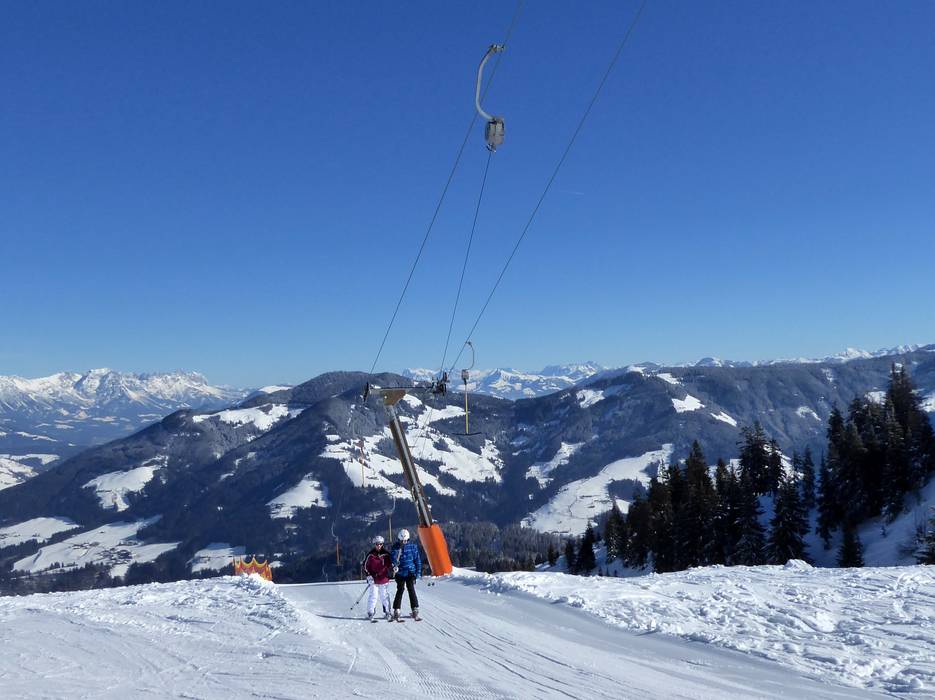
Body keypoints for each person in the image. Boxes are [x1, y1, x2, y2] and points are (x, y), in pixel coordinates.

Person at [390, 529, 422, 620]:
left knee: (411, 589)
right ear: (398, 540)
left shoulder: (413, 547)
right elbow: (393, 558)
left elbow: (417, 560)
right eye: (401, 541)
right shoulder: (395, 547)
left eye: (405, 541)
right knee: (400, 589)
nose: (403, 542)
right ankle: (397, 609)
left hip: (410, 572)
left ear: (408, 539)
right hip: (400, 573)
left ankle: (415, 609)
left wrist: (418, 573)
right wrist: (394, 565)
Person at [363, 535, 393, 621]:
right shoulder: (370, 555)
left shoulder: (386, 554)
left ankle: (387, 612)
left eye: (380, 544)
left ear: (382, 544)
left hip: (384, 579)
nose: (379, 545)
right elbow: (365, 566)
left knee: (384, 596)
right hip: (374, 580)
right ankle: (370, 612)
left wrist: (394, 568)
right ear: (374, 544)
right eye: (377, 544)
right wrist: (369, 576)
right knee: (373, 596)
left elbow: (390, 564)